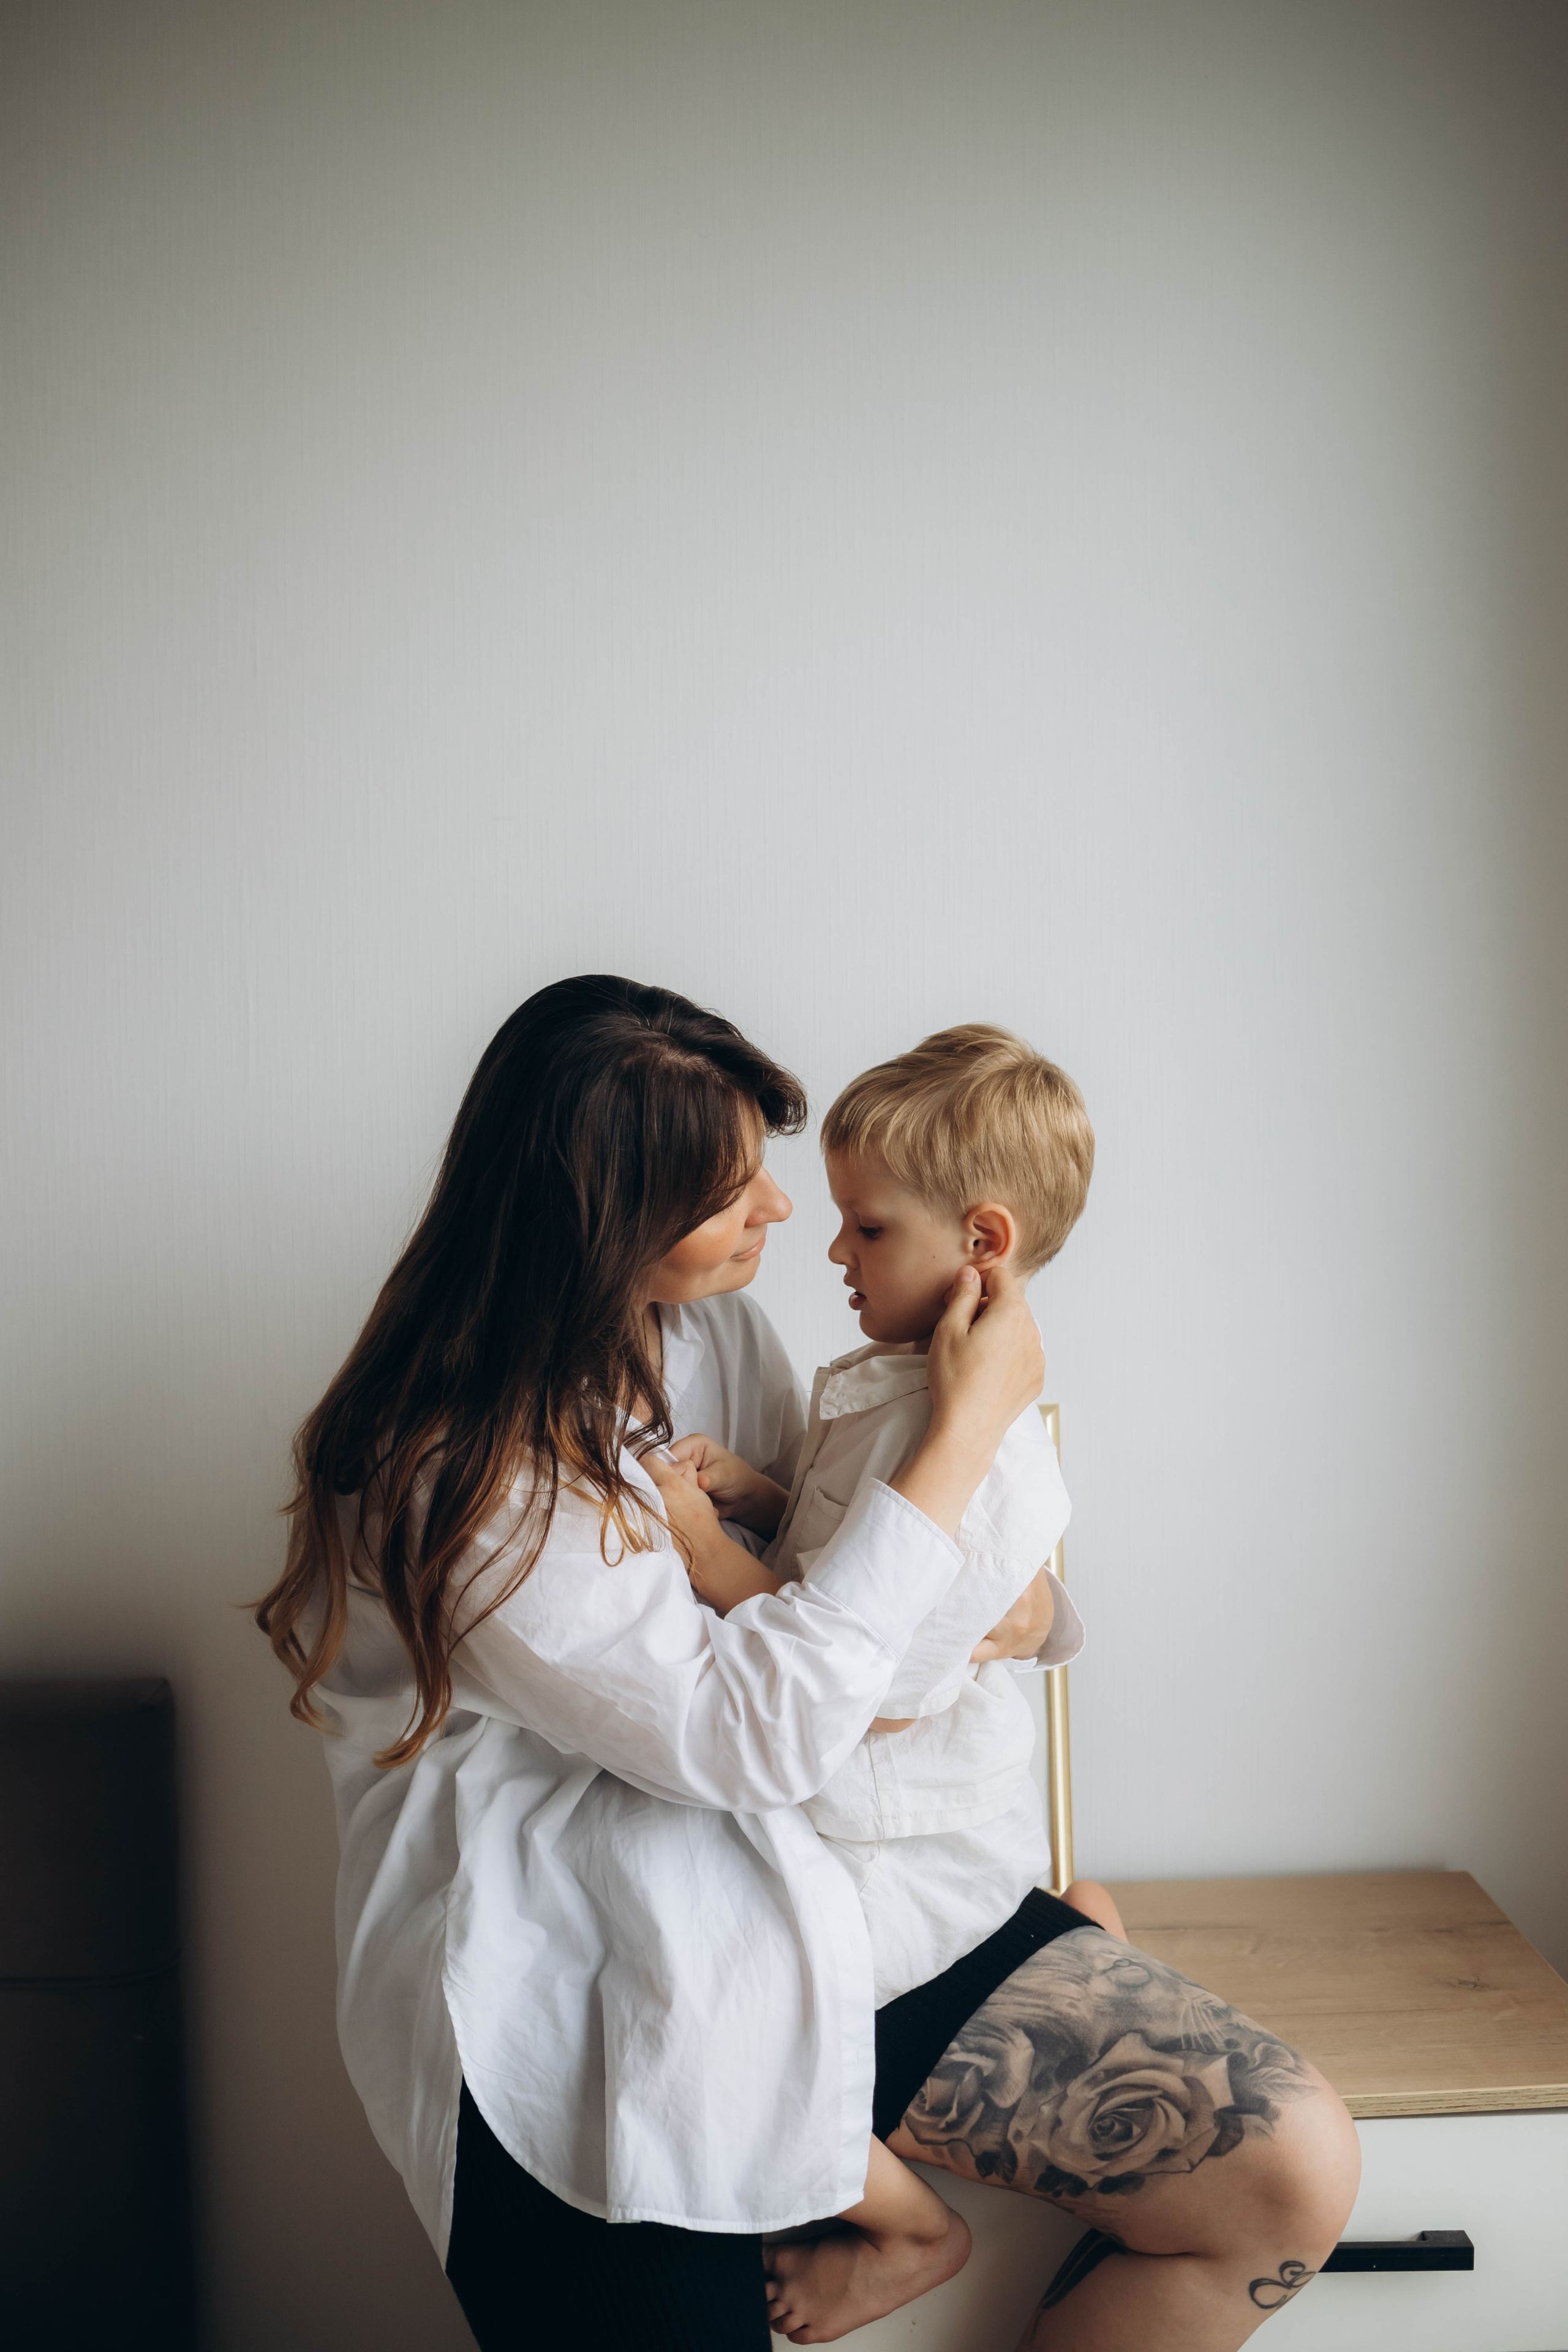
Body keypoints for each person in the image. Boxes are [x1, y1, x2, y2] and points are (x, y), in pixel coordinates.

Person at [257, 976, 1359, 2352]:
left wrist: (1020, 1602)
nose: (780, 1215)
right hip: (575, 1981)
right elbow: (768, 1725)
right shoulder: (462, 1477)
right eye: (733, 1193)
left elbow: (850, 1575)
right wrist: (972, 1426)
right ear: (607, 1221)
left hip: (817, 1883)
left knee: (1289, 2170)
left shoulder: (701, 1328)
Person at [660, 1024, 1128, 2340]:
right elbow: (841, 1541)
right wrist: (757, 1492)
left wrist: (704, 1553)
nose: (829, 1249)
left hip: (893, 1840)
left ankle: (907, 2228)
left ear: (979, 1239)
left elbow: (856, 1683)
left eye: (866, 1229)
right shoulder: (890, 1382)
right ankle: (1081, 1928)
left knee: (728, 2016)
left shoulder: (981, 1458)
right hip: (889, 1806)